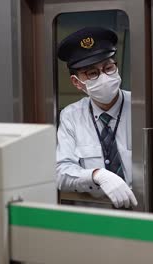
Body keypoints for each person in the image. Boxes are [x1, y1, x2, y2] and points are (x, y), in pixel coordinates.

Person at [56, 27, 137, 209]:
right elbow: (61, 173)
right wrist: (97, 175)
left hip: (142, 212)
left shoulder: (141, 107)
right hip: (96, 217)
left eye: (108, 68)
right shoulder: (71, 116)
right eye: (92, 73)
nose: (104, 77)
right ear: (77, 82)